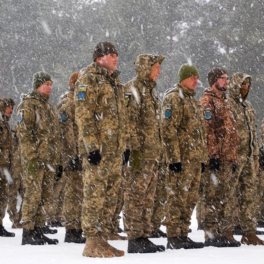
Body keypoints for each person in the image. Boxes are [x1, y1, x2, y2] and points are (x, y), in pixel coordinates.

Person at [75, 41, 126, 258]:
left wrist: (123, 146)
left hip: (113, 151)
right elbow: (84, 115)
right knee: (94, 194)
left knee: (109, 196)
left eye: (116, 54)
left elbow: (120, 118)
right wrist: (91, 147)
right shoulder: (89, 78)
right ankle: (91, 241)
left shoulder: (114, 81)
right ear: (99, 58)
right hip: (98, 151)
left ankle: (102, 239)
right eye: (111, 54)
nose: (115, 58)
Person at [123, 54, 165, 254]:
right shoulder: (133, 89)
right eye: (156, 67)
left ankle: (143, 235)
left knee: (148, 196)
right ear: (146, 68)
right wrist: (132, 150)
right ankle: (134, 237)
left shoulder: (150, 92)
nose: (159, 71)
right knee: (135, 195)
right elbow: (128, 122)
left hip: (152, 154)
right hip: (140, 154)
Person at [161, 63, 207, 250]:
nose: (196, 80)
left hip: (194, 160)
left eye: (197, 77)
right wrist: (174, 159)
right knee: (177, 197)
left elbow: (199, 132)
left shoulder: (192, 101)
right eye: (192, 77)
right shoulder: (175, 98)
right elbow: (168, 130)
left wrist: (202, 158)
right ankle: (173, 235)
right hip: (181, 159)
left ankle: (183, 233)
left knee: (189, 199)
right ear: (183, 79)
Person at [16, 71, 63, 245]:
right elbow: (24, 134)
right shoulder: (28, 106)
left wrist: (58, 161)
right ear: (38, 85)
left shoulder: (50, 108)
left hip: (49, 161)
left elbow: (56, 138)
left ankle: (38, 229)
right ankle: (28, 232)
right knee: (32, 195)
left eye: (51, 84)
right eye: (46, 84)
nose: (50, 87)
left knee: (45, 196)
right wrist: (31, 158)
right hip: (35, 160)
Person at [200, 67, 240, 247]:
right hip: (216, 159)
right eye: (224, 79)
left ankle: (223, 233)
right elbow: (208, 131)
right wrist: (213, 155)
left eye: (227, 78)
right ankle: (210, 235)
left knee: (225, 197)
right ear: (215, 80)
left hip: (228, 158)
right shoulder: (207, 100)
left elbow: (232, 132)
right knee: (212, 197)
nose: (227, 81)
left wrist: (234, 158)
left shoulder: (225, 102)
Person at [227, 72, 264, 245]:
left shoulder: (248, 106)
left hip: (249, 157)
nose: (245, 88)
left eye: (247, 85)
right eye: (242, 84)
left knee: (249, 195)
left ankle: (249, 232)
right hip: (234, 157)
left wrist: (255, 154)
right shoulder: (228, 105)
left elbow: (253, 134)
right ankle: (226, 230)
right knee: (229, 194)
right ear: (235, 86)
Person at [57, 71, 85, 243]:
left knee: (78, 191)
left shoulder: (77, 101)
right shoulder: (68, 102)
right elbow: (66, 132)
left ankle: (77, 227)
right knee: (72, 192)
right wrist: (73, 155)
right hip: (72, 155)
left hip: (79, 153)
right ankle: (71, 229)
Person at [0, 98, 16, 237]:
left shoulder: (5, 124)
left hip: (4, 167)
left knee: (3, 196)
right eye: (8, 107)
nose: (11, 110)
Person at [7, 125, 24, 229]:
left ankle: (20, 218)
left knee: (27, 196)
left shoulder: (25, 144)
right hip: (13, 174)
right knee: (12, 198)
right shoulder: (11, 143)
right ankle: (14, 220)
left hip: (23, 175)